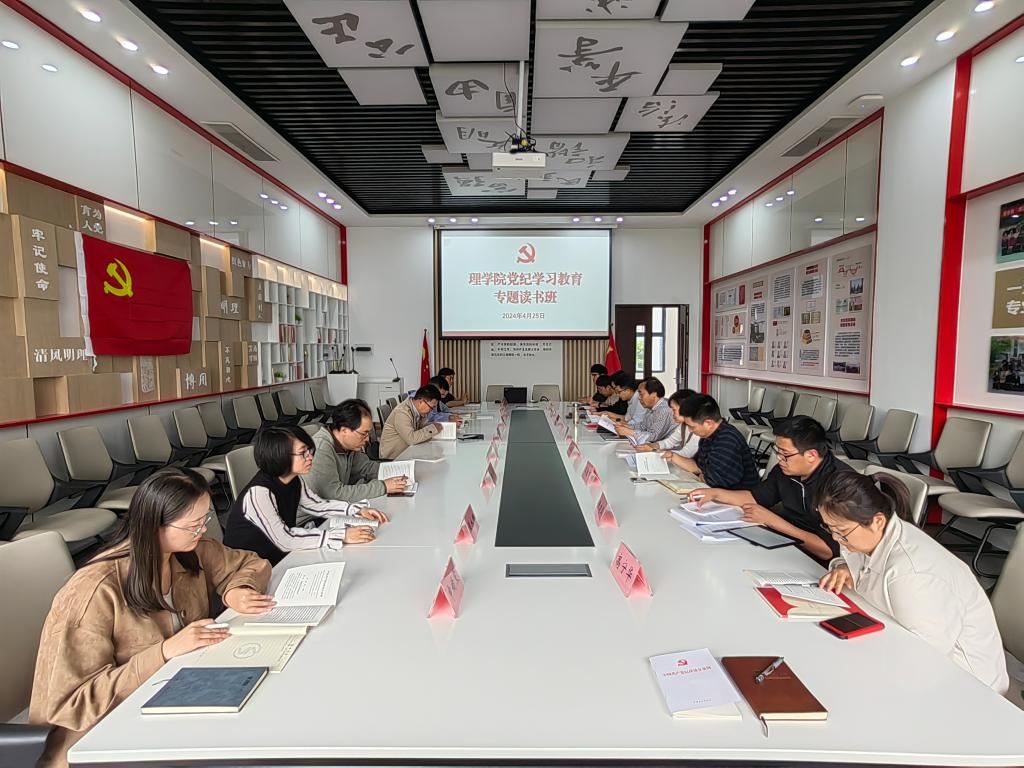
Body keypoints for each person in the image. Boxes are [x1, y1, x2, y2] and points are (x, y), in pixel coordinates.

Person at [30, 467, 274, 767]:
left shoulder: (191, 550)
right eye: (193, 526)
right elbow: (71, 705)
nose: (202, 531)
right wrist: (164, 652)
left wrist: (236, 590)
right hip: (101, 737)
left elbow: (250, 564)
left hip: (175, 695)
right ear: (154, 525)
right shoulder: (95, 590)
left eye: (205, 520)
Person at [817, 471, 1009, 694]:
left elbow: (925, 659)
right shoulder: (865, 535)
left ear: (877, 521)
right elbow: (856, 564)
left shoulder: (912, 575)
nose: (836, 538)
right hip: (893, 642)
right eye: (830, 529)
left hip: (968, 684)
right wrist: (843, 567)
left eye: (841, 532)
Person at [689, 415, 849, 562]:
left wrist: (771, 521)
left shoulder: (841, 486)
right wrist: (715, 494)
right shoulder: (786, 470)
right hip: (788, 544)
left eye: (785, 454)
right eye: (777, 451)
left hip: (819, 563)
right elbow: (755, 497)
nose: (779, 459)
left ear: (811, 455)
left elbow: (827, 551)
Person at [223, 426, 387, 565]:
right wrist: (342, 535)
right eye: (303, 453)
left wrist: (356, 510)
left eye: (309, 450)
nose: (310, 457)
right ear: (280, 456)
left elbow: (317, 505)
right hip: (250, 567)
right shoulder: (259, 493)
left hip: (279, 556)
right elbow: (285, 539)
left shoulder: (292, 479)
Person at [308, 399, 408, 502]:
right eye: (363, 433)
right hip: (319, 511)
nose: (367, 439)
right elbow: (335, 494)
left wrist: (400, 471)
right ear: (344, 430)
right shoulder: (321, 449)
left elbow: (366, 468)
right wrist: (384, 487)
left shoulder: (349, 445)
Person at [664, 394, 759, 490]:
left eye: (692, 427)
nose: (690, 430)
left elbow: (715, 482)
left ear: (708, 423)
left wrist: (703, 476)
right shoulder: (708, 436)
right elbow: (698, 467)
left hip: (738, 496)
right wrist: (672, 456)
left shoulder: (727, 440)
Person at [379, 385, 443, 459]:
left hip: (407, 452)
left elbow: (421, 430)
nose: (431, 411)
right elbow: (411, 439)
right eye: (431, 407)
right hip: (393, 458)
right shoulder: (402, 412)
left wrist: (431, 426)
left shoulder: (418, 411)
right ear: (420, 402)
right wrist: (433, 428)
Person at [636, 388, 699, 456]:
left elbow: (686, 454)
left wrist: (653, 450)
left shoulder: (698, 429)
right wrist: (651, 445)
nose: (672, 414)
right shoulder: (683, 425)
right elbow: (668, 442)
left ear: (685, 408)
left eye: (674, 410)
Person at [615, 378, 675, 445]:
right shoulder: (651, 407)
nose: (639, 398)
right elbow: (642, 426)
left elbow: (654, 437)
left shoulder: (664, 409)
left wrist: (631, 432)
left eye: (641, 394)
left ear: (654, 394)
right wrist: (626, 426)